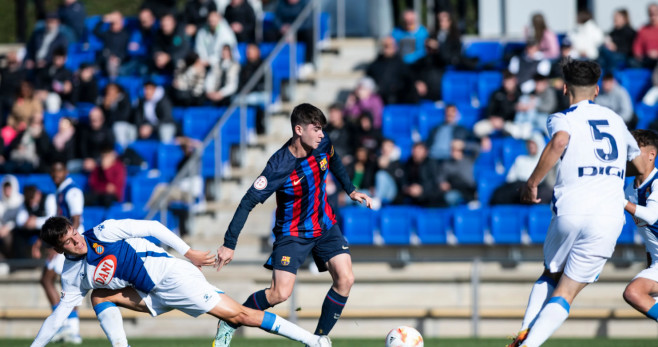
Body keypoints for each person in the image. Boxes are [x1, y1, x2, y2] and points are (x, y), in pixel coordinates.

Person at [30, 216, 331, 347]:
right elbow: (58, 315)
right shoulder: (71, 276)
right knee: (99, 296)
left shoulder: (104, 231)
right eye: (68, 243)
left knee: (241, 315)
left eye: (74, 233)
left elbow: (152, 226)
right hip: (149, 293)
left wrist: (190, 253)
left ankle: (313, 341)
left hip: (173, 278)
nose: (77, 242)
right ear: (59, 250)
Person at [508, 58, 643, 347]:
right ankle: (529, 345)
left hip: (572, 208)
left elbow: (559, 142)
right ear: (597, 90)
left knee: (551, 274)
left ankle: (522, 335)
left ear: (566, 89)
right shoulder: (617, 121)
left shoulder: (562, 117)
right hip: (609, 216)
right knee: (566, 293)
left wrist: (531, 183)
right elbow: (639, 163)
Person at [214, 103, 372, 345]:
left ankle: (319, 340)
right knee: (279, 294)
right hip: (293, 233)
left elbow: (335, 159)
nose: (321, 134)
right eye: (316, 129)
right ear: (299, 130)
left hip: (325, 225)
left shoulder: (323, 144)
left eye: (322, 129)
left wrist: (350, 190)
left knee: (345, 278)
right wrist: (229, 244)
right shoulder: (279, 165)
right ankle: (231, 319)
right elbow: (247, 202)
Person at [38, 159, 85, 344]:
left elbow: (76, 220)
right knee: (58, 282)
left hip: (67, 244)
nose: (55, 174)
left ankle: (69, 328)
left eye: (58, 171)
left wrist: (63, 245)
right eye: (52, 171)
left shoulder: (72, 191)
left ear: (65, 171)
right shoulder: (60, 191)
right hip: (63, 242)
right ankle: (69, 327)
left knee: (49, 279)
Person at [621, 129, 658, 323]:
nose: (629, 156)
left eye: (635, 150)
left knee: (634, 292)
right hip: (656, 263)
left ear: (652, 155)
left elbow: (651, 216)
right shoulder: (630, 190)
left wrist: (619, 200)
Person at [633, 3, 658, 69]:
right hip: (646, 59)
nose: (652, 14)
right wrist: (641, 55)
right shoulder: (643, 29)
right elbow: (637, 47)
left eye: (655, 11)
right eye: (650, 12)